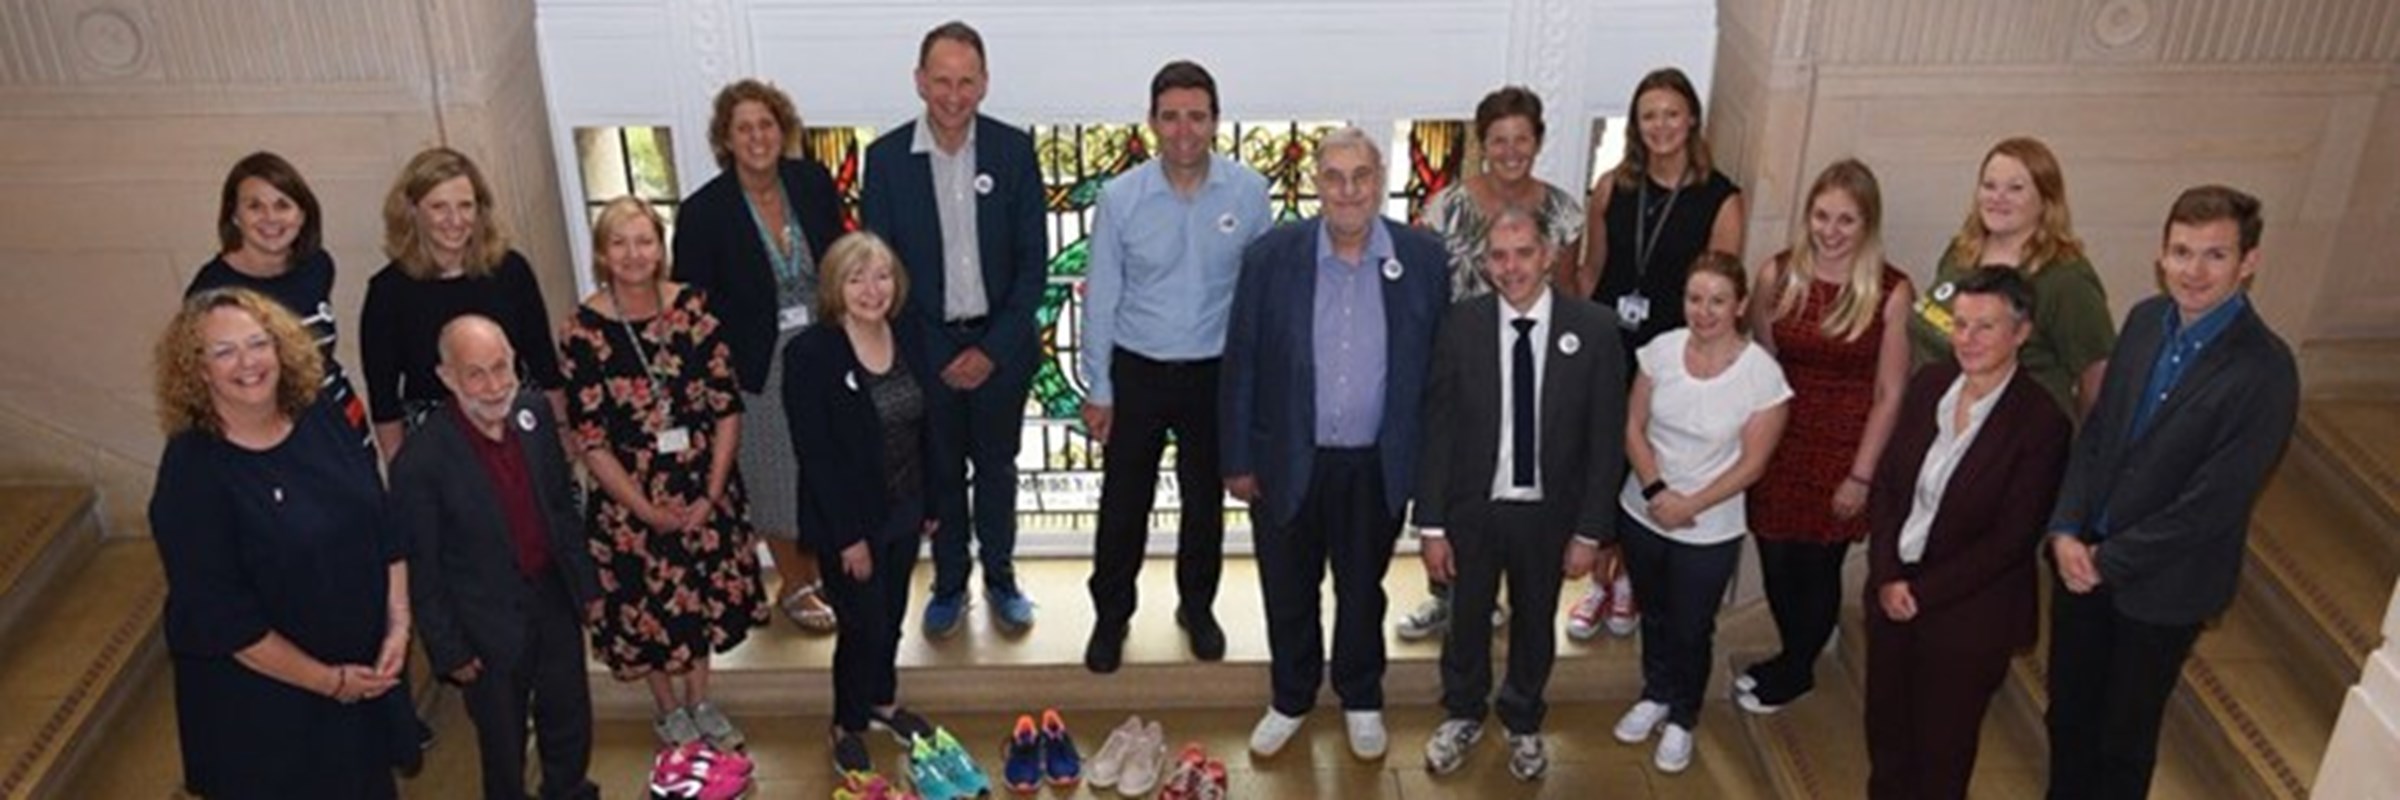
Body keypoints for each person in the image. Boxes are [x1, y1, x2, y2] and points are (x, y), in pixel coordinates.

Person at [2045, 186, 2298, 799]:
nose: (2194, 271)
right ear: (2161, 255)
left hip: (2165, 585)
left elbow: (2215, 503)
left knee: (2122, 738)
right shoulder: (2140, 321)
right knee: (2068, 711)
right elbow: (2099, 431)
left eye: (2215, 255)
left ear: (2249, 262)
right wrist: (2066, 528)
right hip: (2085, 558)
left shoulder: (2265, 370)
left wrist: (2109, 559)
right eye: (2182, 252)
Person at [1220, 127, 1449, 761]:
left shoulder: (1424, 261)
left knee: (1361, 589)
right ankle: (1291, 695)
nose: (1348, 190)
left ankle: (1361, 695)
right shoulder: (1271, 257)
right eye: (1334, 177)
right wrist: (1237, 458)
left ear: (1379, 180)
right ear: (1316, 183)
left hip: (1376, 462)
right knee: (1287, 587)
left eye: (1362, 176)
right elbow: (1240, 362)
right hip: (1287, 458)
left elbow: (1435, 378)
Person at [148, 288, 408, 798]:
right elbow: (224, 620)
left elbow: (380, 518)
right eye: (223, 352)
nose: (248, 363)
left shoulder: (318, 414)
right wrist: (329, 682)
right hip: (267, 712)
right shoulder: (192, 473)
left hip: (360, 676)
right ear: (197, 371)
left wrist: (398, 622)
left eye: (257, 343)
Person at [1415, 210, 1624, 782]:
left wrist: (1590, 530)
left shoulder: (1597, 330)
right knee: (1466, 619)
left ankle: (1524, 718)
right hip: (1473, 511)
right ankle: (1462, 712)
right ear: (1484, 264)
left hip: (1550, 516)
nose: (1512, 268)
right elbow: (1438, 428)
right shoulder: (1460, 326)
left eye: (1524, 253)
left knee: (1536, 619)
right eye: (1499, 256)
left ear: (1549, 254)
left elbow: (1606, 442)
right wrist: (1431, 524)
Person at [1079, 60, 1273, 673]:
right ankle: (1111, 617)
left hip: (1214, 374)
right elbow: (1102, 295)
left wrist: (1256, 388)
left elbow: (1261, 295)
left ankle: (1198, 606)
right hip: (1138, 370)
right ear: (1152, 123)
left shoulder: (1248, 192)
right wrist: (1099, 387)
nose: (1184, 130)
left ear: (1215, 121)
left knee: (1204, 504)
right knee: (1123, 503)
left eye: (1196, 116)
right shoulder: (1121, 197)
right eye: (1171, 117)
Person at [560, 197, 767, 749]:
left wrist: (713, 491)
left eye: (644, 241)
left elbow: (727, 407)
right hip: (629, 502)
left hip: (704, 487)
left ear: (660, 247)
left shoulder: (695, 307)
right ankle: (669, 709)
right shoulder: (582, 330)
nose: (633, 254)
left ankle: (701, 700)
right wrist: (644, 508)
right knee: (645, 608)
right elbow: (591, 440)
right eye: (620, 243)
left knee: (699, 600)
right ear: (602, 252)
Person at [862, 20, 1047, 637]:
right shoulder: (886, 160)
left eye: (966, 81)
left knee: (996, 468)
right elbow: (879, 266)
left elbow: (1033, 267)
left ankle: (1000, 577)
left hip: (1002, 350)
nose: (953, 94)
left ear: (985, 83)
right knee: (937, 470)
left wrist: (992, 351)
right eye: (941, 80)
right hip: (924, 350)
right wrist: (939, 351)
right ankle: (946, 585)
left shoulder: (1013, 151)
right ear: (919, 81)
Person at [1863, 268, 2070, 800]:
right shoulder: (1929, 384)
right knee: (1886, 734)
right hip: (1894, 588)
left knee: (1941, 754)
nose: (1967, 339)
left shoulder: (2040, 422)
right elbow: (1888, 484)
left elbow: (2011, 539)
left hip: (1966, 612)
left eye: (1985, 327)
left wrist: (1920, 593)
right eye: (1959, 325)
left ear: (2021, 333)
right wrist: (1887, 574)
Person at [1397, 85, 1588, 643]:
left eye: (1521, 139)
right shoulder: (1447, 206)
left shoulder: (1561, 212)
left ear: (1538, 141)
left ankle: (1505, 598)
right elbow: (1423, 288)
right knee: (1458, 483)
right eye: (1498, 140)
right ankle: (1448, 593)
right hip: (1461, 367)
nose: (1510, 151)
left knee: (1521, 486)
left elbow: (1572, 288)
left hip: (1534, 367)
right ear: (1483, 143)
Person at [1565, 67, 1749, 641]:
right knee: (1602, 460)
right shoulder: (1612, 186)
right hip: (1610, 341)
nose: (1661, 126)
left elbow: (1719, 285)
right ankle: (1601, 579)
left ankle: (1631, 583)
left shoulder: (1720, 199)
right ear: (1636, 125)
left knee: (1652, 457)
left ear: (1692, 117)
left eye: (1672, 113)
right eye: (1649, 116)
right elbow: (1592, 268)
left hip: (1674, 354)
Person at [394, 315, 605, 800]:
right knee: (503, 742)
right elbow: (422, 569)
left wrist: (587, 587)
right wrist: (450, 649)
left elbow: (561, 508)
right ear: (448, 377)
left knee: (569, 716)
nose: (494, 386)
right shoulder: (420, 461)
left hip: (552, 599)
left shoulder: (533, 416)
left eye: (501, 368)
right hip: (484, 627)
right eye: (477, 373)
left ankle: (569, 790)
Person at [1735, 159, 1914, 713]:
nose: (1830, 231)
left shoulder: (1891, 290)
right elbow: (1762, 359)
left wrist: (1862, 475)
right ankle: (1797, 649)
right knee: (1775, 555)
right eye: (1821, 216)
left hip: (1845, 448)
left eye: (1846, 220)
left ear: (1867, 225)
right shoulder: (1776, 274)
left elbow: (1891, 392)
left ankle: (1797, 669)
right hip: (1782, 438)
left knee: (1816, 567)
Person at [675, 78, 848, 635]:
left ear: (783, 129)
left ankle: (826, 573)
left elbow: (842, 255)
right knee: (777, 474)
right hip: (756, 363)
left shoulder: (813, 182)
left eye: (766, 124)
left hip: (822, 347)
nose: (757, 137)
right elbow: (692, 305)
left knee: (826, 461)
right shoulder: (705, 211)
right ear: (726, 138)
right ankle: (794, 583)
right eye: (743, 127)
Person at [1608, 253, 1790, 774]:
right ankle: (1655, 693)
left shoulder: (1763, 376)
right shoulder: (1660, 351)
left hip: (1709, 526)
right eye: (1695, 299)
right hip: (1644, 508)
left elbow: (1754, 463)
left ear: (1740, 305)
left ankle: (1683, 717)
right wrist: (1657, 489)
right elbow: (1632, 426)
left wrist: (1690, 504)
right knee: (1655, 612)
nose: (1704, 311)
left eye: (1717, 301)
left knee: (1691, 626)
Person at [783, 232, 946, 774]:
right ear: (835, 286)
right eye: (856, 278)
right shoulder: (812, 354)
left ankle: (882, 700)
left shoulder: (909, 333)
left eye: (881, 276)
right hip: (847, 520)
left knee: (892, 614)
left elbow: (928, 425)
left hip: (905, 506)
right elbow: (818, 456)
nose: (871, 290)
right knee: (861, 625)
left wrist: (933, 500)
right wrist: (849, 536)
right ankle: (846, 722)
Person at [360, 147, 566, 459]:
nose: (455, 220)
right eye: (439, 207)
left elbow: (543, 363)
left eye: (466, 206)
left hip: (517, 429)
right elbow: (384, 400)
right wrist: (402, 472)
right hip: (438, 446)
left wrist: (560, 435)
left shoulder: (512, 271)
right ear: (413, 210)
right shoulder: (388, 292)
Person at [1907, 136, 2114, 420]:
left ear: (2046, 199)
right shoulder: (1961, 252)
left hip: (2017, 439)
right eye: (1989, 186)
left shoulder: (2065, 277)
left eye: (2015, 188)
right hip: (1938, 426)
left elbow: (2097, 378)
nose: (1997, 197)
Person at [187, 152, 367, 439]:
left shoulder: (317, 265)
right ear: (234, 215)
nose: (270, 218)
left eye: (283, 205)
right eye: (255, 206)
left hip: (338, 418)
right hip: (268, 434)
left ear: (302, 214)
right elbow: (204, 385)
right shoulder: (212, 290)